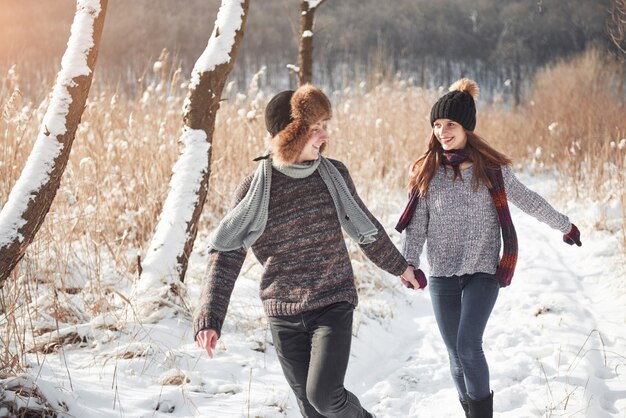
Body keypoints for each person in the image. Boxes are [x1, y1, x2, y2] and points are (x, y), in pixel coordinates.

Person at [194, 84, 420, 418]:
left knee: (325, 397)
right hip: (282, 313)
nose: (324, 137)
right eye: (315, 129)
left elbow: (365, 228)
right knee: (311, 411)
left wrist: (401, 267)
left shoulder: (332, 175)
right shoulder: (255, 190)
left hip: (332, 301)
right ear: (290, 134)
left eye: (324, 127)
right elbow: (226, 252)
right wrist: (210, 317)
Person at [396, 78, 582, 418]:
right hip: (442, 275)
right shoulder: (427, 172)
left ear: (466, 126)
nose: (442, 131)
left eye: (450, 124)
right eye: (437, 125)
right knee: (454, 356)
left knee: (468, 346)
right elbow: (416, 225)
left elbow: (529, 200)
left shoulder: (490, 169)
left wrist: (564, 225)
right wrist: (409, 263)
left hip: (483, 271)